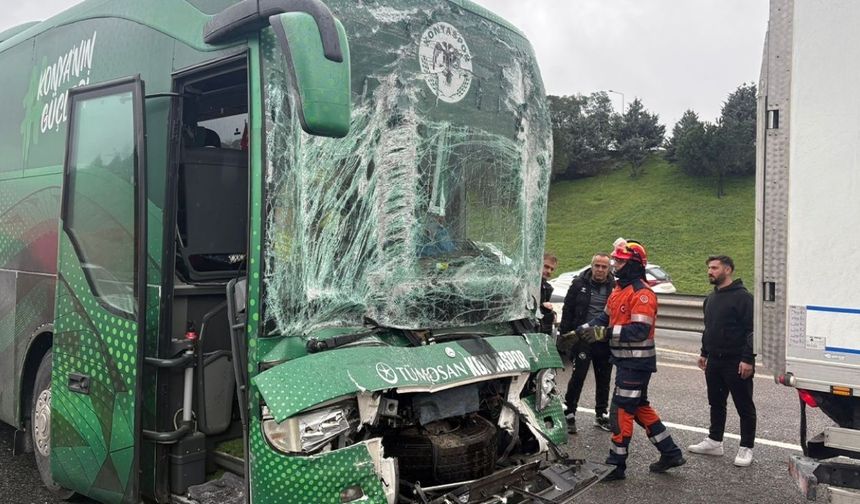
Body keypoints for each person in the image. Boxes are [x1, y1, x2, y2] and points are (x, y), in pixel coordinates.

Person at [575, 238, 685, 481]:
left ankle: (616, 465)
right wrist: (581, 330)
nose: (615, 265)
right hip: (626, 362)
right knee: (638, 407)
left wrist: (603, 334)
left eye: (620, 261)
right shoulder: (618, 289)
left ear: (634, 264)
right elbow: (604, 319)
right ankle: (671, 452)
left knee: (621, 410)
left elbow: (639, 331)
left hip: (637, 363)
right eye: (615, 260)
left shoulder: (642, 294)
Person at [688, 255, 756, 467]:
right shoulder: (711, 298)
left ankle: (746, 447)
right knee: (716, 403)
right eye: (709, 267)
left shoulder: (744, 298)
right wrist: (704, 352)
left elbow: (752, 331)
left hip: (736, 362)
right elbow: (709, 328)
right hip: (714, 361)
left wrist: (747, 359)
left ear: (728, 270)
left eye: (715, 268)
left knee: (744, 406)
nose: (710, 271)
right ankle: (715, 441)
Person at [559, 253, 615, 434]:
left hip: (603, 338)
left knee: (603, 377)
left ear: (609, 269)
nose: (600, 269)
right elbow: (568, 308)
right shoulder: (578, 284)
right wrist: (565, 336)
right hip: (582, 338)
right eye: (597, 265)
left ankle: (601, 414)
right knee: (578, 376)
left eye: (603, 267)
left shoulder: (615, 287)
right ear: (591, 266)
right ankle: (569, 412)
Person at [539, 253, 558, 335]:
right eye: (546, 267)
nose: (549, 271)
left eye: (552, 269)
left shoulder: (548, 288)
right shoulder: (525, 284)